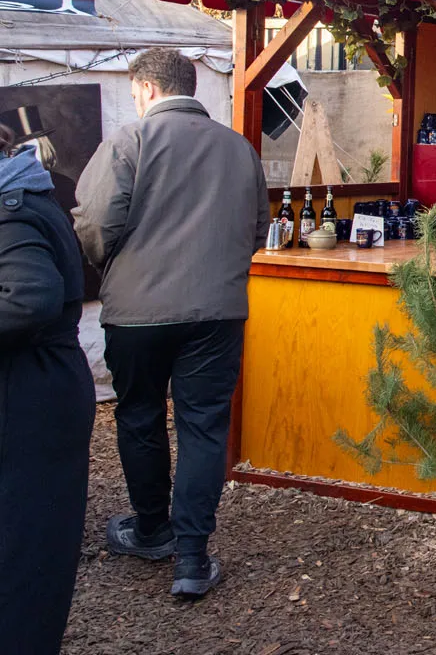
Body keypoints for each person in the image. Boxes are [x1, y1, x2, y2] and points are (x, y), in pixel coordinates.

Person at [73, 48, 269, 598]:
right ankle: (191, 556)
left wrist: (113, 267)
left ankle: (152, 529)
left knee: (138, 417)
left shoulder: (128, 143)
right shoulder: (240, 149)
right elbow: (258, 230)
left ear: (146, 89)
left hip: (136, 312)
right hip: (217, 311)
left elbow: (92, 223)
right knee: (203, 427)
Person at [0, 121, 93, 653]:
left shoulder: (10, 207)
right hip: (36, 388)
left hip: (31, 394)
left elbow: (30, 296)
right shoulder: (23, 192)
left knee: (22, 554)